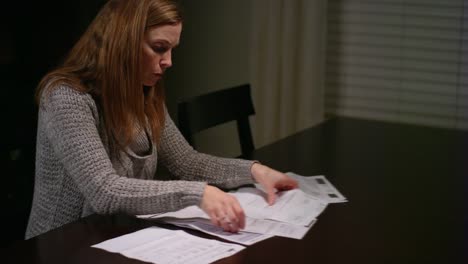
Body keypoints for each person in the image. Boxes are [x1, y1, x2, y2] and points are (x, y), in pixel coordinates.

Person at [25, 0, 298, 239]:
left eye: (171, 49)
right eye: (159, 48)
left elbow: (187, 162)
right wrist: (198, 194)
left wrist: (255, 171)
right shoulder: (65, 96)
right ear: (123, 42)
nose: (168, 61)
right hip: (61, 244)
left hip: (113, 235)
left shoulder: (143, 92)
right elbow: (104, 190)